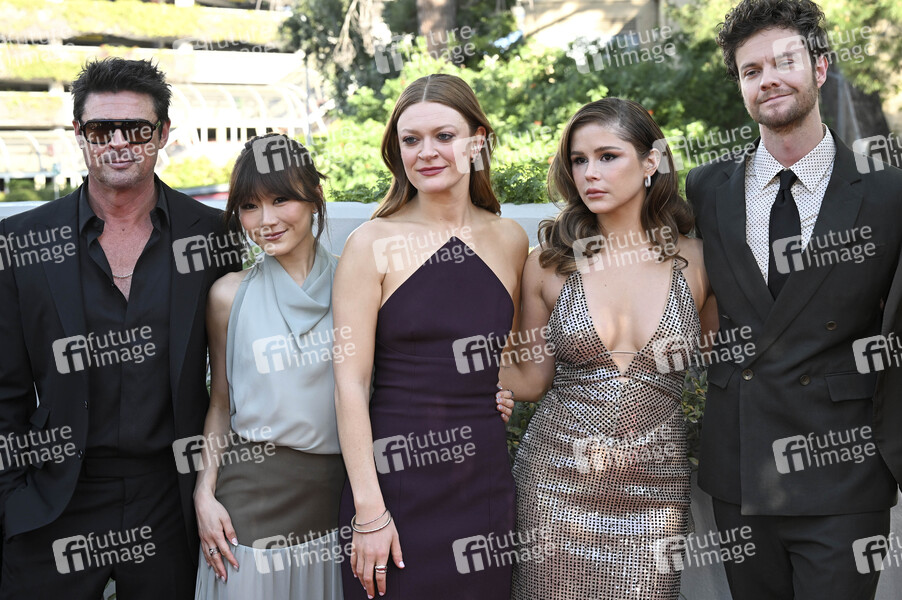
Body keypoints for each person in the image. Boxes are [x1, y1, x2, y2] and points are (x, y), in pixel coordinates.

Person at [0, 58, 241, 598]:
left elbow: (233, 376)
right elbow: (5, 389)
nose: (118, 143)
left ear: (163, 133)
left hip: (171, 498)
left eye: (137, 129)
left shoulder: (211, 235)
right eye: (101, 129)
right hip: (54, 497)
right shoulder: (21, 242)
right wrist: (11, 499)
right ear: (79, 135)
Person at [686, 1, 902, 598]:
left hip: (845, 472)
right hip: (741, 470)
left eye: (785, 61)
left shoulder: (888, 191)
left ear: (820, 68)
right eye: (751, 70)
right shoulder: (707, 188)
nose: (768, 79)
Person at [496, 97, 717, 600]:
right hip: (554, 486)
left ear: (650, 161)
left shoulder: (699, 261)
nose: (589, 173)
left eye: (607, 156)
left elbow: (728, 367)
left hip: (657, 494)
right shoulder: (548, 263)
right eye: (578, 160)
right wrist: (458, 378)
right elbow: (530, 379)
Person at [333, 73, 526, 600]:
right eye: (411, 139)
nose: (427, 152)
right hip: (394, 483)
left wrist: (500, 389)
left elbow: (507, 358)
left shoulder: (511, 239)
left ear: (477, 141)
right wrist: (370, 510)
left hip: (483, 481)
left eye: (444, 136)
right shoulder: (371, 243)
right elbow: (350, 383)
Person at [193, 134, 345, 599]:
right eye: (250, 206)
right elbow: (220, 405)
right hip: (248, 506)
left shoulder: (359, 283)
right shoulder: (227, 295)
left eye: (281, 199)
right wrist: (204, 493)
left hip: (339, 503)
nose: (266, 220)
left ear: (315, 196)